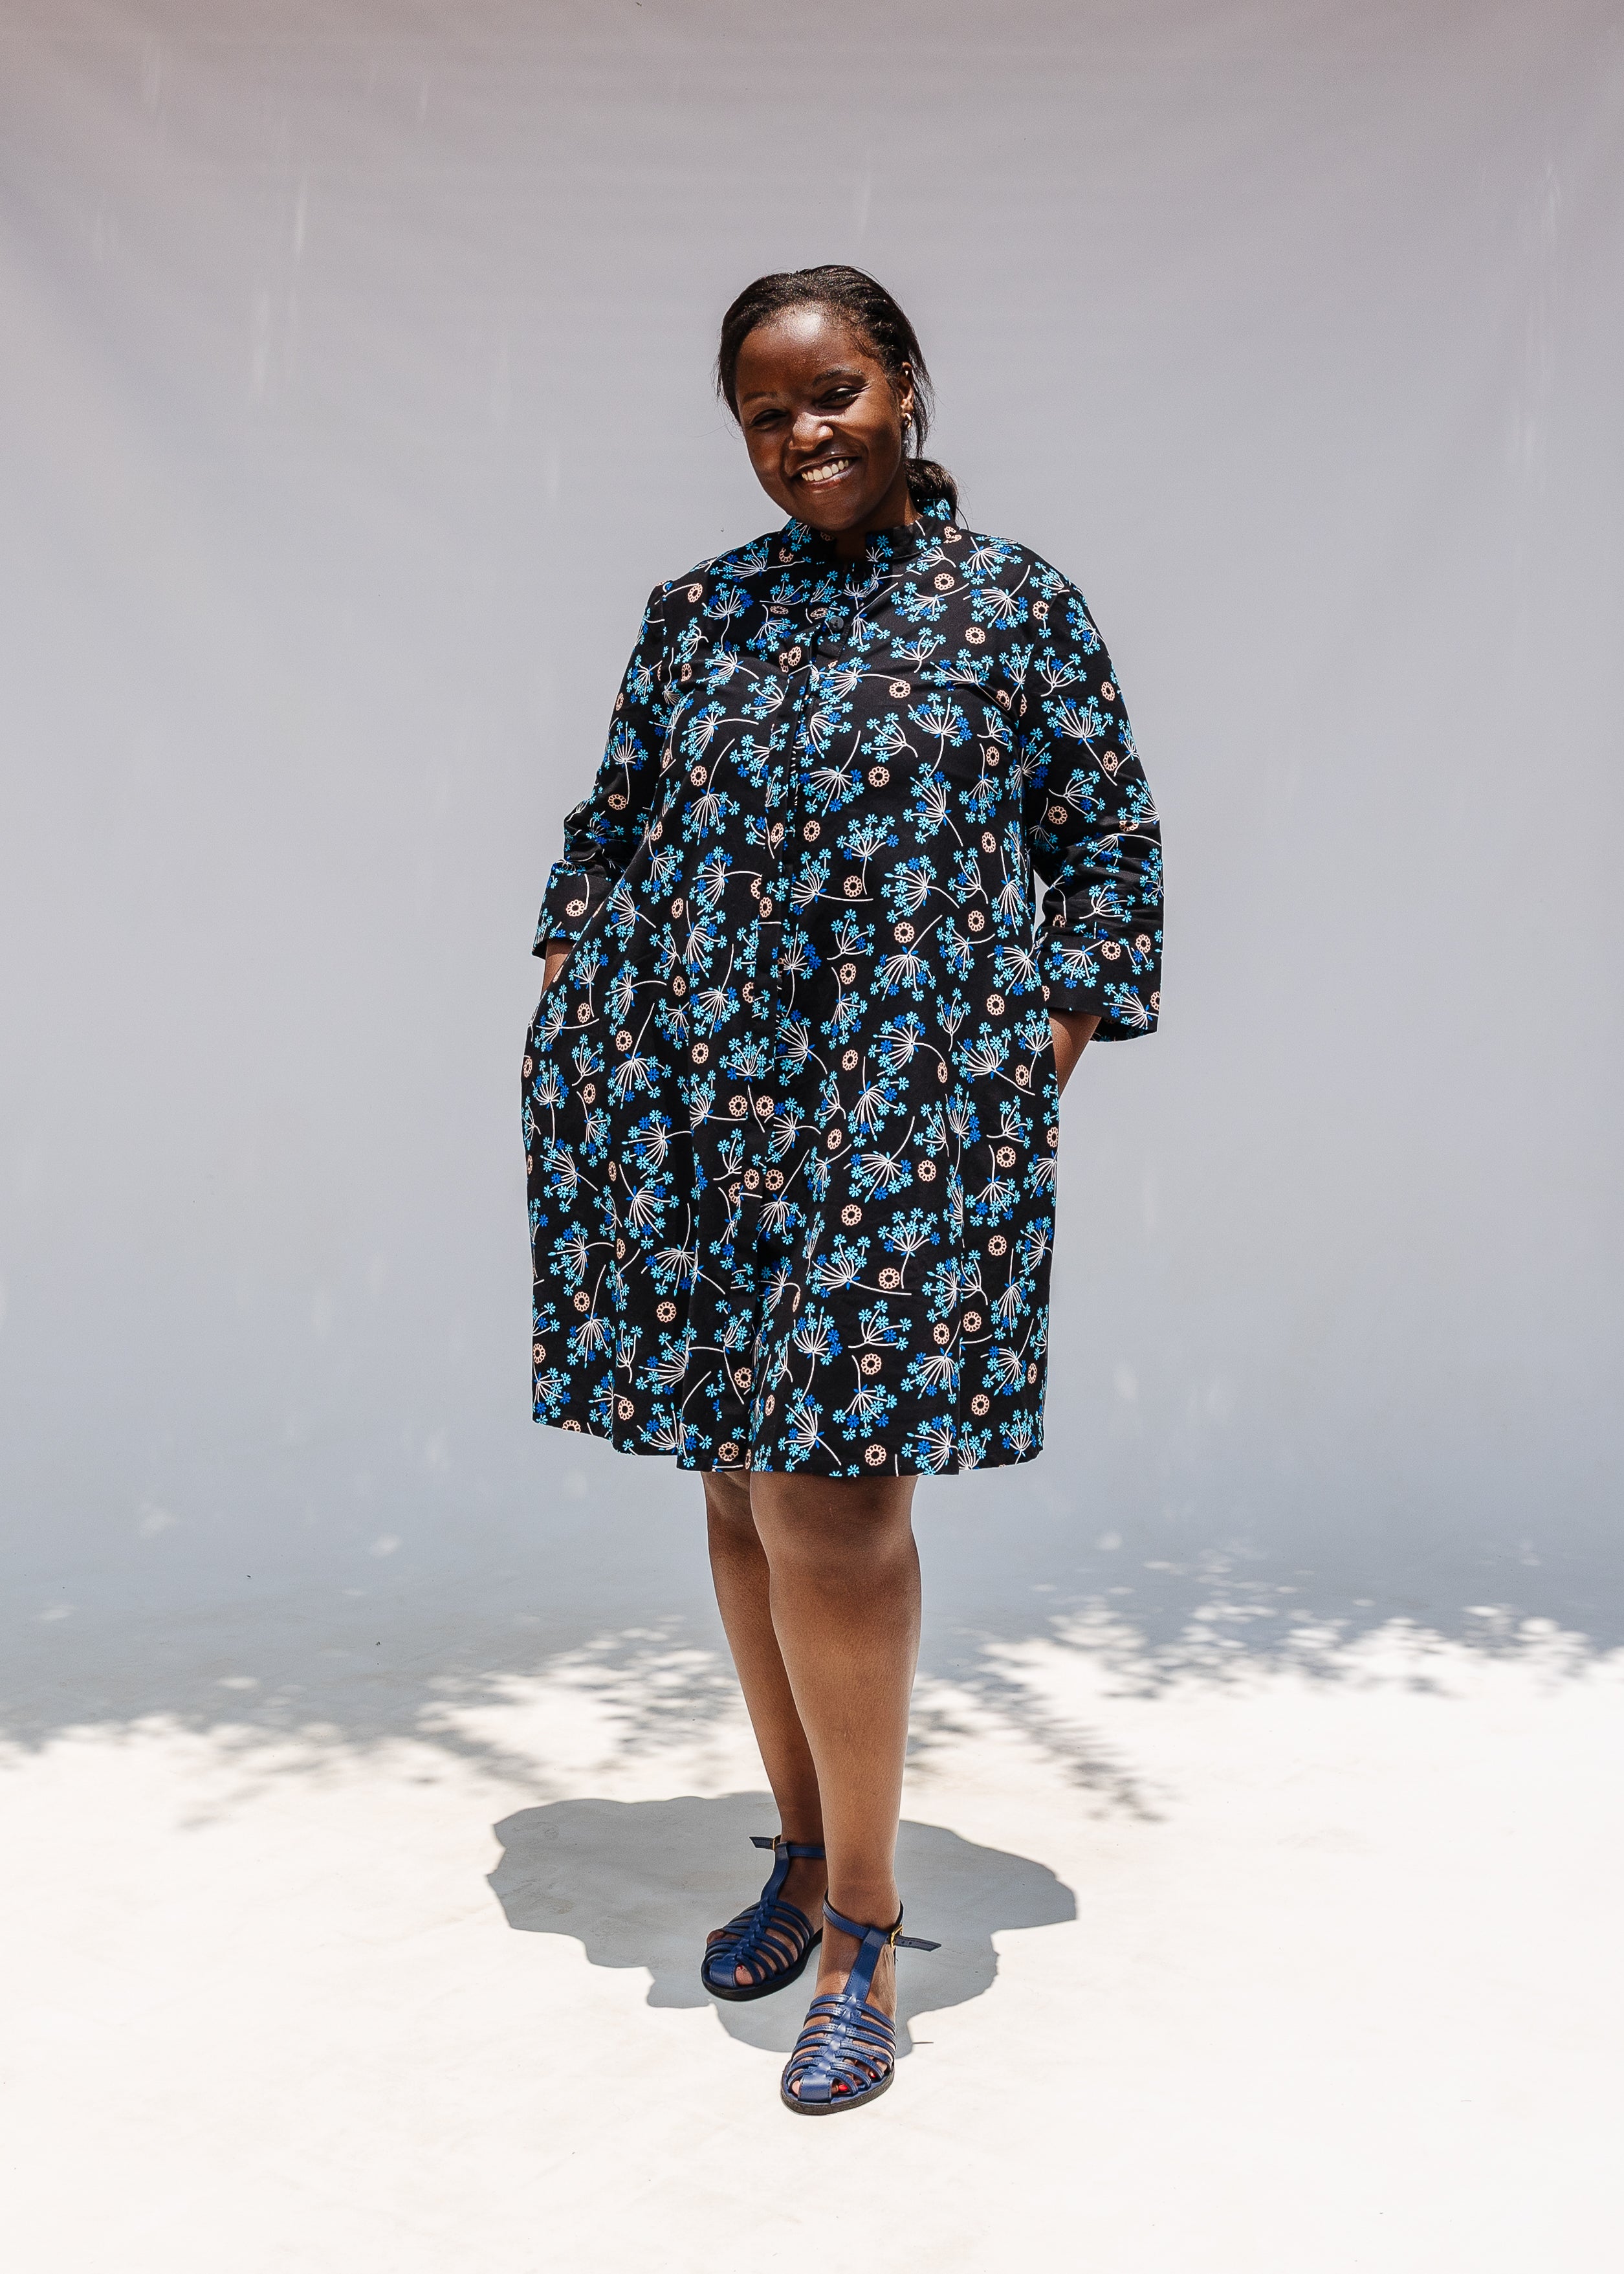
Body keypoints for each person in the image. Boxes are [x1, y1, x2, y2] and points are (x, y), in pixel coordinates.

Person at [522, 265, 1161, 2113]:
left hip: (903, 1107)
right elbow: (614, 824)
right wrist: (576, 972)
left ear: (909, 388)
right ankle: (802, 1849)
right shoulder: (696, 615)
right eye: (767, 409)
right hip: (691, 1101)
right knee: (740, 1471)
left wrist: (1028, 1055)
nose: (806, 432)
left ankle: (871, 1920)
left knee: (834, 1494)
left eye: (838, 391)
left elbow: (1105, 844)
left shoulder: (1014, 606)